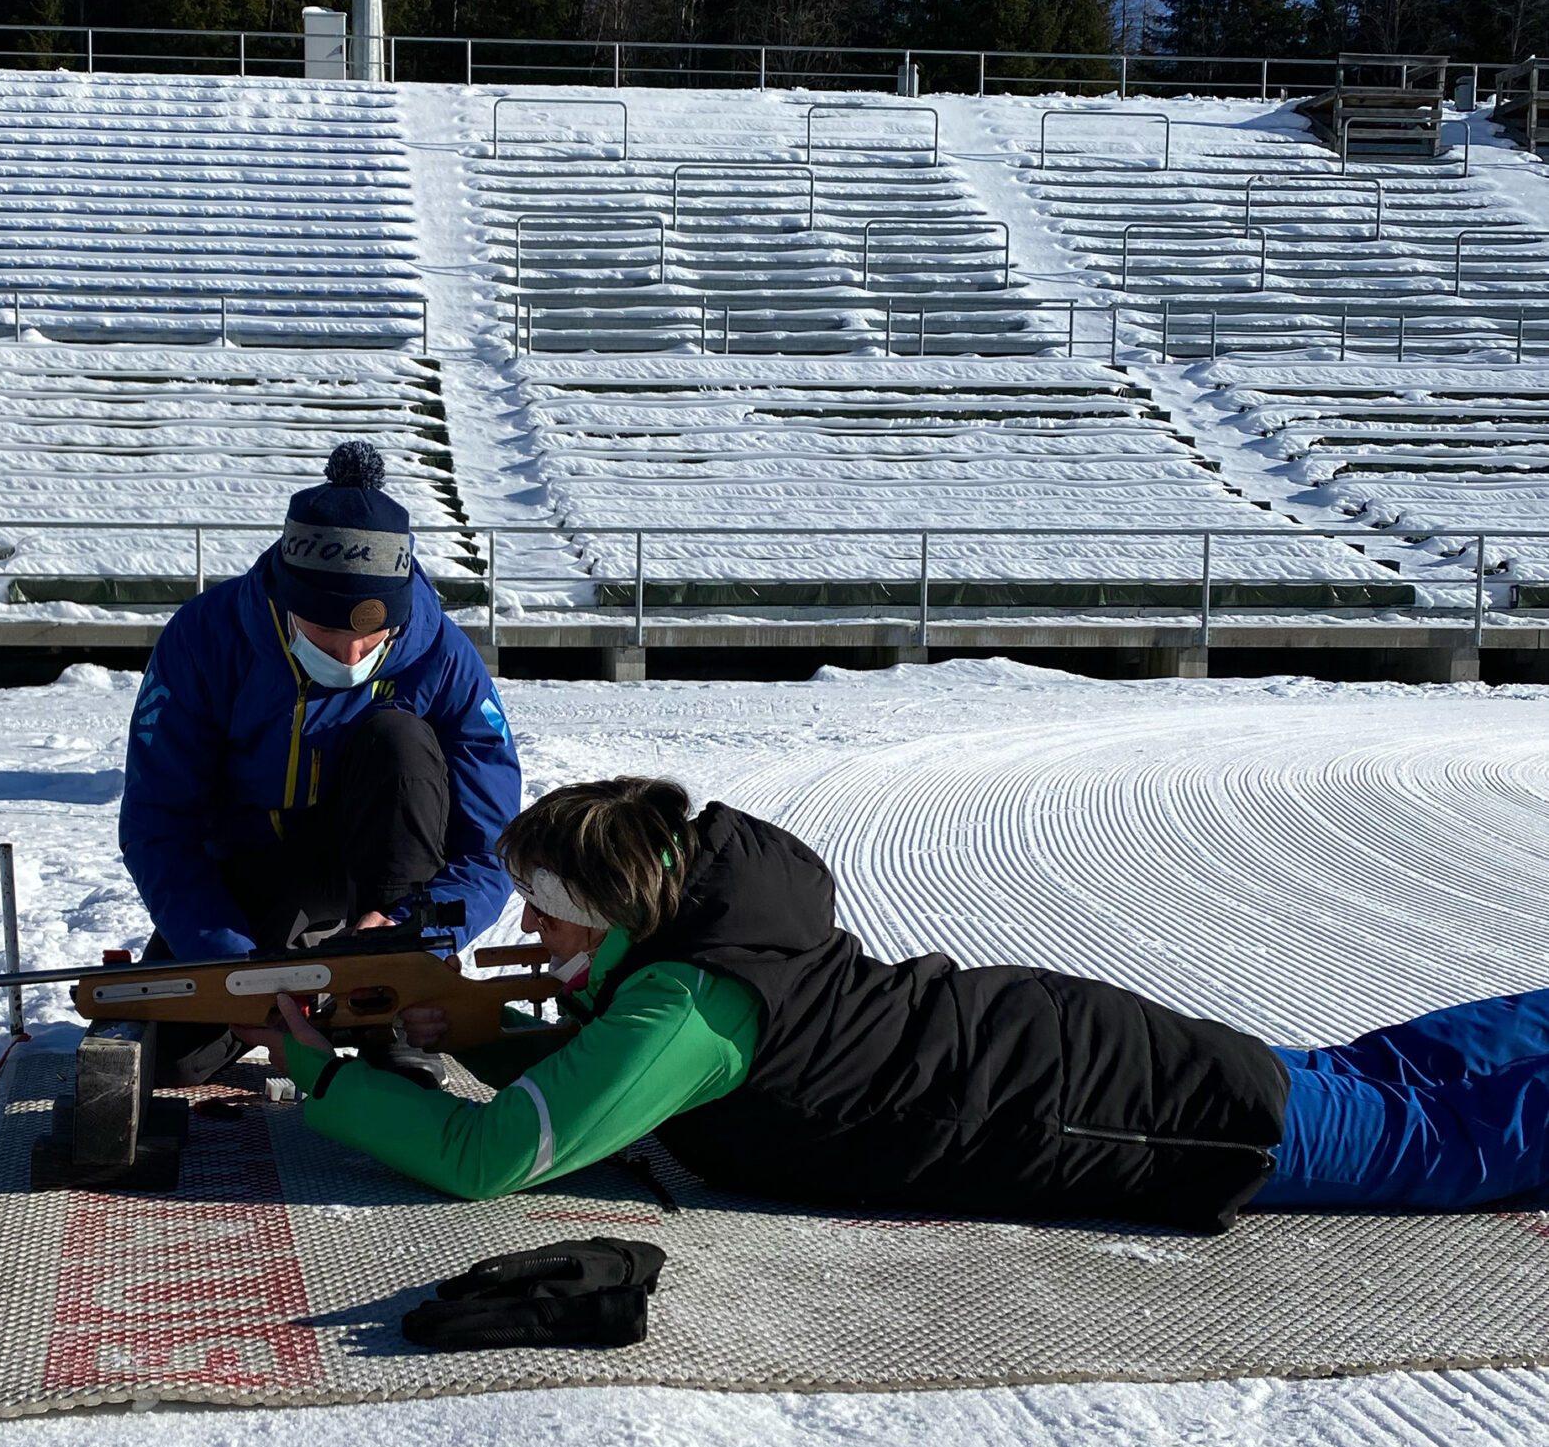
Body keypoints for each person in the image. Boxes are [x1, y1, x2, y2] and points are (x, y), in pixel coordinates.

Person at [238, 776, 1549, 1231]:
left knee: (1429, 1144)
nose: (529, 936)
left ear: (626, 909)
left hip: (1131, 1108)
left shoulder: (686, 1008)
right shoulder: (708, 943)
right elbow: (591, 1058)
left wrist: (332, 1077)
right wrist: (460, 1024)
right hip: (1080, 1045)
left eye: (552, 915)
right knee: (1383, 1074)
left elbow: (486, 1155)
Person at [118, 440, 521, 1087]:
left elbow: (490, 841)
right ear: (286, 598)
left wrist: (415, 932)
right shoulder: (203, 638)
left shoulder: (441, 655)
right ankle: (277, 991)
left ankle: (387, 1005)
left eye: (372, 638)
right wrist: (234, 964)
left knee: (399, 741)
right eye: (329, 636)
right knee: (172, 1062)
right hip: (247, 881)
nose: (353, 653)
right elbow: (158, 822)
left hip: (381, 880)